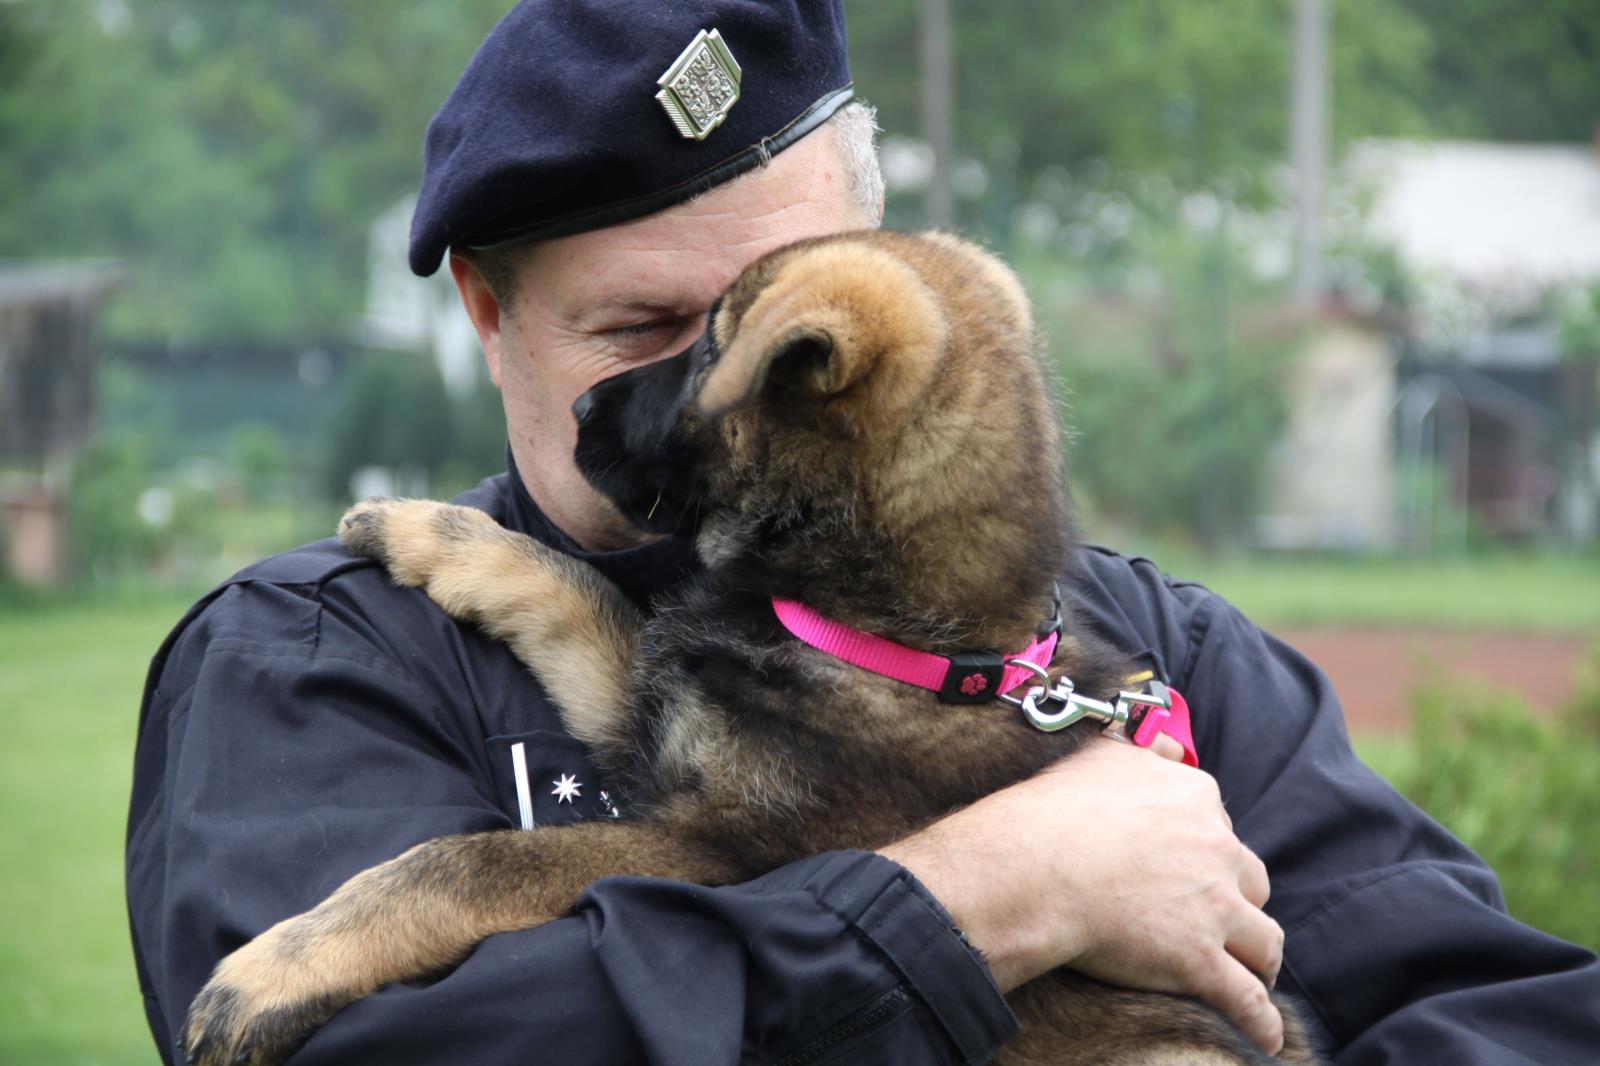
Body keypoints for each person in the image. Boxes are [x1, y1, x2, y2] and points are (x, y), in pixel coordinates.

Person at [126, 3, 1600, 1064]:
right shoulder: (318, 659)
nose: (679, 393)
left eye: (754, 335)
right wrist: (980, 897)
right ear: (486, 306)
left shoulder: (1145, 656)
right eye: (635, 326)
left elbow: (1506, 1010)